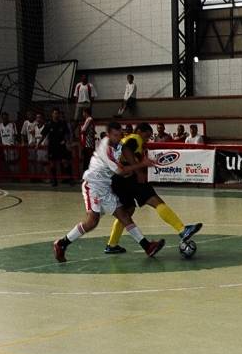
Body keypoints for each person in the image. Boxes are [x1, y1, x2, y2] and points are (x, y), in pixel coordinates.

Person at [52, 121, 164, 263]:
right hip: (93, 185)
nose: (118, 137)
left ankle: (147, 246)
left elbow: (125, 151)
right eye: (115, 135)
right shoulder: (106, 149)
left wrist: (137, 170)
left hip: (105, 187)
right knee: (92, 221)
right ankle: (61, 244)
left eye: (120, 135)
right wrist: (141, 164)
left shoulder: (118, 144)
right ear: (108, 134)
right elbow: (121, 171)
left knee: (123, 215)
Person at [103, 122, 203, 255]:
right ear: (139, 131)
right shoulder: (134, 138)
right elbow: (127, 150)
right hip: (129, 177)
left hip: (117, 179)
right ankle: (182, 229)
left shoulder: (124, 140)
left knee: (127, 212)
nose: (147, 139)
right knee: (156, 201)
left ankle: (112, 244)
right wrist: (139, 172)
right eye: (146, 135)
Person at [40, 107, 73, 186]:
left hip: (61, 146)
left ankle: (71, 179)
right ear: (52, 114)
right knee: (52, 164)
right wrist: (38, 144)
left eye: (57, 113)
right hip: (52, 146)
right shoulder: (48, 124)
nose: (56, 115)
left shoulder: (63, 123)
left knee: (65, 162)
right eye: (54, 113)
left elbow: (67, 134)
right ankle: (54, 181)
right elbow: (43, 135)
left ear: (59, 114)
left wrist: (68, 143)